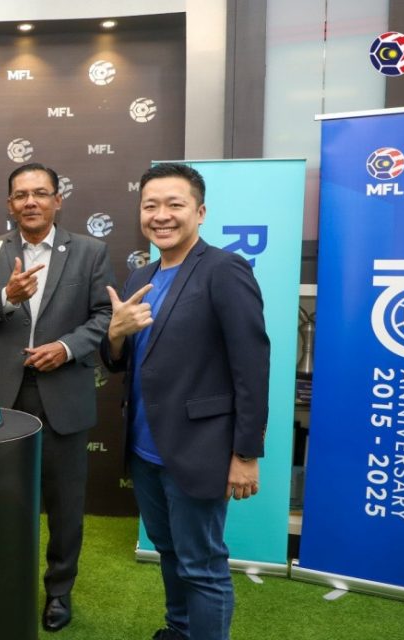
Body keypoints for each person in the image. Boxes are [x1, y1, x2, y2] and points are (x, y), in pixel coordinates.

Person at [103, 163, 270, 640]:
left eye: (174, 204)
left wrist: (245, 454)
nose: (161, 215)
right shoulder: (142, 274)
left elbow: (252, 367)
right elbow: (120, 360)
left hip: (199, 448)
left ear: (200, 211)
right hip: (145, 449)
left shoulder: (224, 269)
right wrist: (115, 334)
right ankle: (179, 630)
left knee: (202, 565)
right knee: (169, 551)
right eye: (150, 205)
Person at [0, 162, 115, 632]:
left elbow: (105, 315)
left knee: (64, 505)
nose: (31, 202)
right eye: (21, 195)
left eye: (40, 193)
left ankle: (59, 591)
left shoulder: (90, 251)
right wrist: (5, 297)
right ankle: (4, 582)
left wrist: (65, 347)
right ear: (9, 204)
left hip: (64, 396)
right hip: (2, 397)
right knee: (0, 499)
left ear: (58, 200)